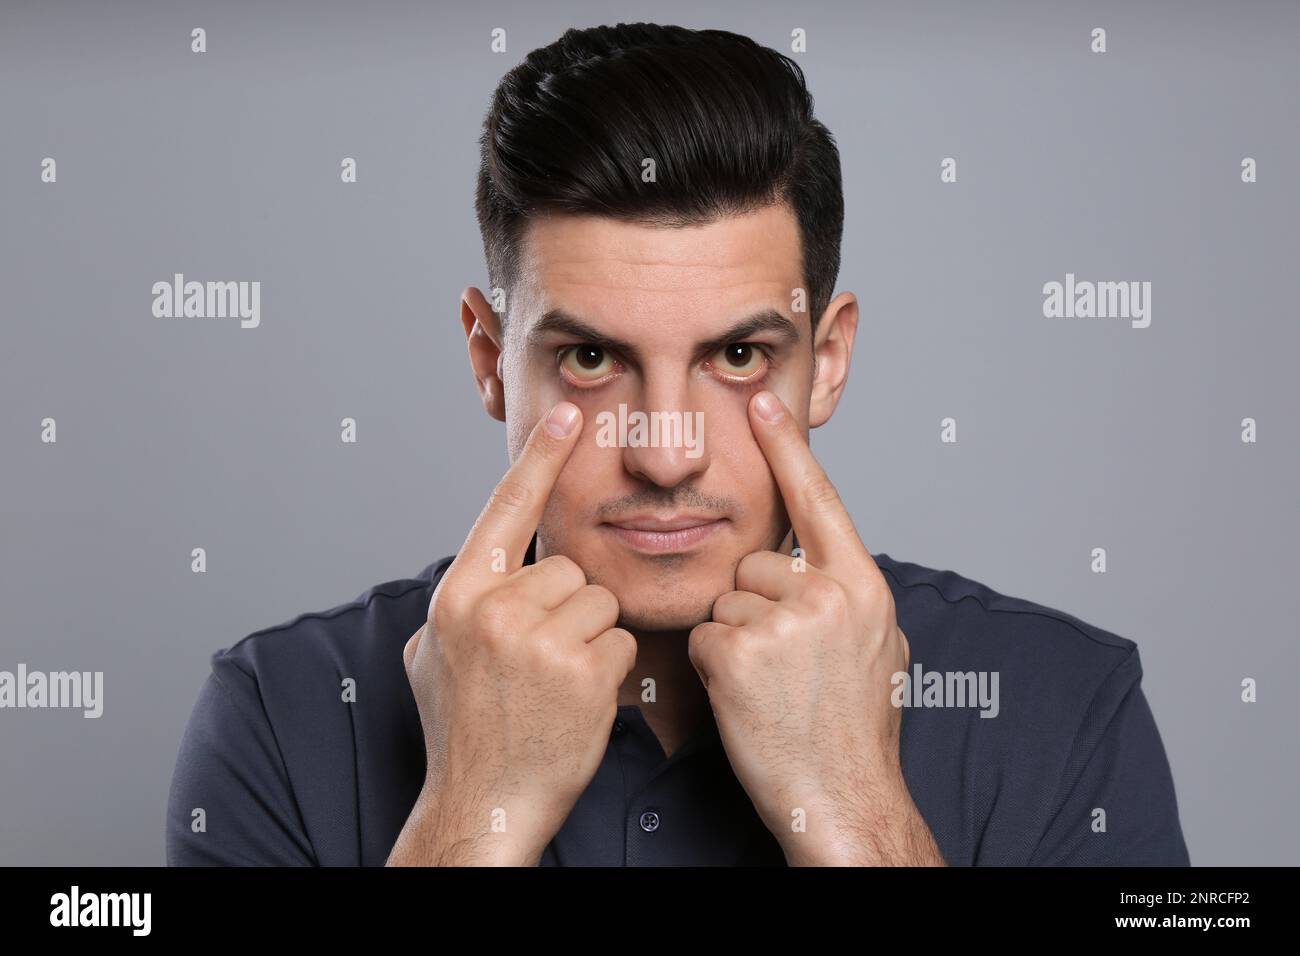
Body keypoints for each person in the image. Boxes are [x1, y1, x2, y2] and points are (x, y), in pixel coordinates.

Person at [166, 22, 1189, 866]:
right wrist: (475, 814)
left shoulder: (1064, 707)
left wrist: (852, 813)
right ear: (488, 358)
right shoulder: (282, 716)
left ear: (826, 361)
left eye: (738, 353)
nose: (665, 456)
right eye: (591, 358)